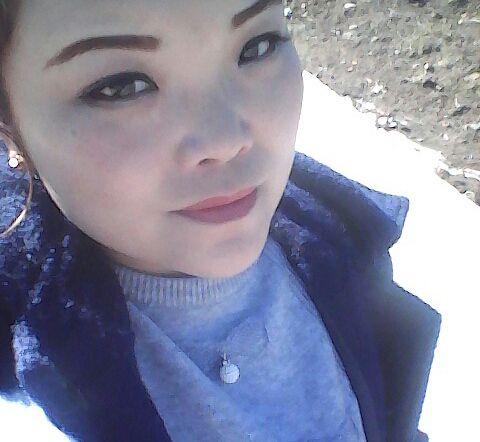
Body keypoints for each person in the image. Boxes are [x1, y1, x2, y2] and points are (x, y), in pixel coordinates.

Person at [0, 1, 441, 441]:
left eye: (257, 46)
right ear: (10, 126)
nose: (226, 141)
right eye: (121, 86)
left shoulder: (338, 236)